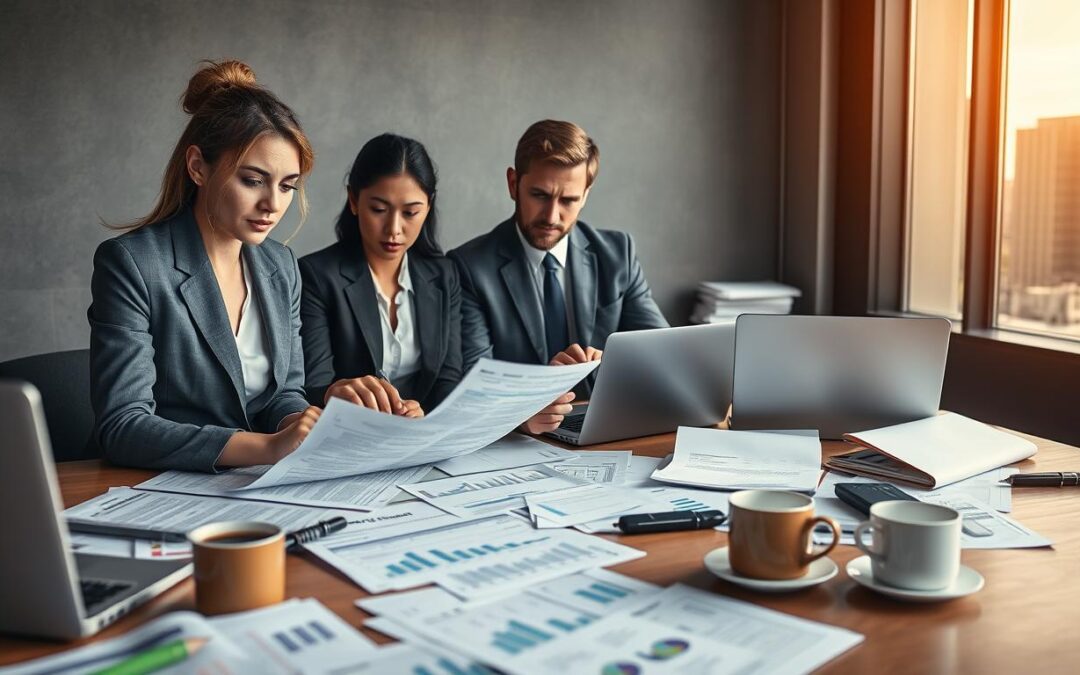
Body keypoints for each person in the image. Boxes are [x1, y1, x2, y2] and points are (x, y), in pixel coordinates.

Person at [88, 60, 320, 472]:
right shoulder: (132, 264)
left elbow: (283, 393)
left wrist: (300, 427)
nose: (273, 204)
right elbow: (124, 426)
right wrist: (266, 448)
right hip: (165, 488)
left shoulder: (281, 266)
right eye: (253, 180)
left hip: (263, 486)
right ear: (198, 167)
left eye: (287, 186)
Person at [449, 119, 668, 433]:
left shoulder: (618, 254)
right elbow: (471, 383)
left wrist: (609, 360)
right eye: (539, 195)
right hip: (515, 444)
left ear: (586, 194)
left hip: (605, 433)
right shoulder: (467, 267)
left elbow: (662, 356)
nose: (552, 216)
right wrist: (521, 414)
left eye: (568, 200)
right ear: (513, 184)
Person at [299, 133, 461, 416]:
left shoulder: (444, 275)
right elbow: (314, 385)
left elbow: (449, 377)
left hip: (421, 433)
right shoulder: (317, 276)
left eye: (410, 213)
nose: (394, 229)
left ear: (428, 207)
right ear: (353, 200)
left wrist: (423, 415)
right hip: (349, 434)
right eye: (378, 209)